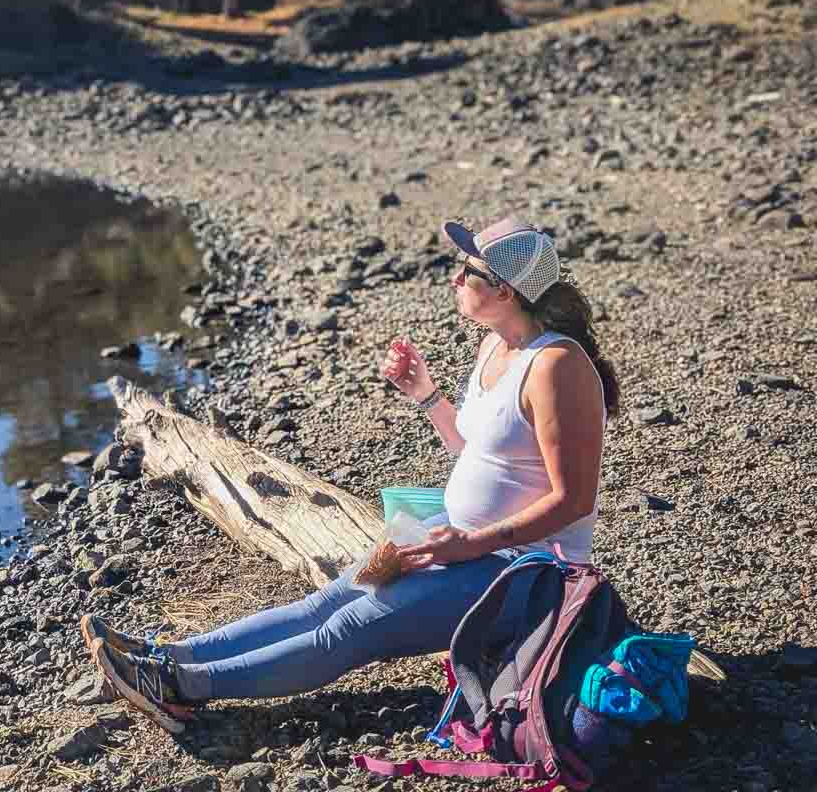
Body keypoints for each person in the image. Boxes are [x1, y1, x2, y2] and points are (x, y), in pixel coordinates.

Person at [83, 217, 623, 731]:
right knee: (327, 602)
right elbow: (475, 449)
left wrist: (471, 544)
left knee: (346, 630)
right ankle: (168, 654)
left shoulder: (558, 367)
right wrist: (427, 395)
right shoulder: (494, 345)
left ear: (505, 291)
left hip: (528, 572)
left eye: (469, 271)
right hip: (450, 535)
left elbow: (573, 499)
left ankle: (177, 685)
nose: (455, 278)